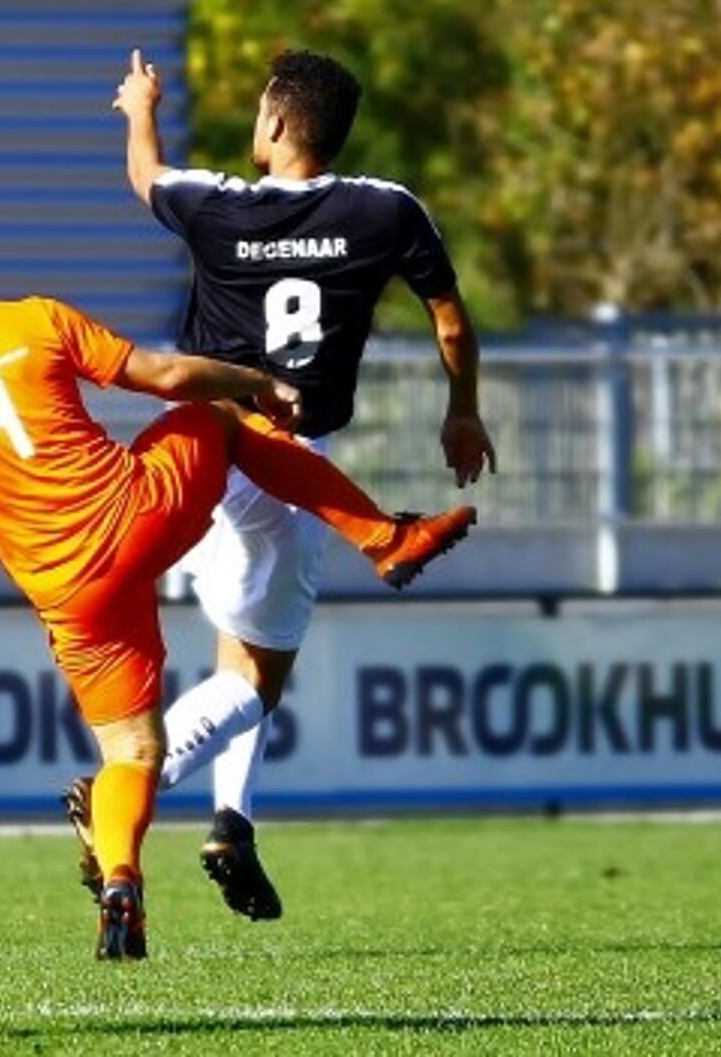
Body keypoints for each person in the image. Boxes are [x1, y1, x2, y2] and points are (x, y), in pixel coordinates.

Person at [0, 189, 473, 962]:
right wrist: (252, 383)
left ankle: (122, 878)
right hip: (135, 512)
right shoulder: (33, 318)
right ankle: (383, 538)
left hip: (68, 590)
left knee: (132, 754)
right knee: (216, 416)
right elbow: (167, 375)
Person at [94, 47, 499, 921]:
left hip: (204, 460)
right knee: (255, 681)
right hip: (288, 469)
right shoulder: (386, 209)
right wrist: (461, 411)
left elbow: (143, 174)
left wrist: (139, 106)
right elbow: (451, 321)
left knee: (236, 654)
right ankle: (129, 787)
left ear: (275, 124)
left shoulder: (214, 206)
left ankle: (232, 824)